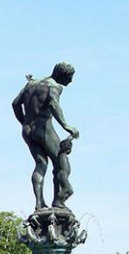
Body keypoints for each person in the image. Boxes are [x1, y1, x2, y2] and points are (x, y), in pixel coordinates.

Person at [11, 62, 79, 212]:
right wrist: (66, 125)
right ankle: (59, 202)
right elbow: (54, 104)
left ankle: (39, 203)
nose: (71, 81)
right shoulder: (54, 86)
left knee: (41, 164)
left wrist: (24, 122)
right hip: (44, 128)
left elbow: (15, 104)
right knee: (61, 162)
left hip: (28, 131)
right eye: (69, 77)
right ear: (62, 75)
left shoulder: (31, 84)